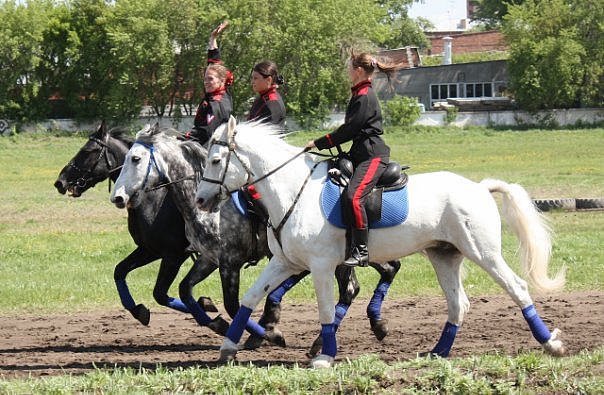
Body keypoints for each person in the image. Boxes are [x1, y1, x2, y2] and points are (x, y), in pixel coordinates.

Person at [304, 52, 398, 267]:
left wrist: (319, 142)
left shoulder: (364, 95)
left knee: (354, 197)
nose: (348, 72)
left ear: (357, 71)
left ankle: (362, 251)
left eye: (349, 68)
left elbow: (349, 130)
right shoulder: (359, 93)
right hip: (360, 152)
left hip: (372, 154)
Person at [188, 21, 233, 145]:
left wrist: (185, 138)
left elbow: (206, 133)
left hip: (210, 150)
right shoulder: (218, 89)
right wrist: (213, 38)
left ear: (222, 80)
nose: (206, 82)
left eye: (210, 79)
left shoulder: (217, 103)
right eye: (205, 79)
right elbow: (214, 63)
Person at [248, 60, 286, 127]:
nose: (252, 82)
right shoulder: (263, 97)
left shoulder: (272, 103)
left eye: (255, 78)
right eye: (252, 78)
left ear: (268, 80)